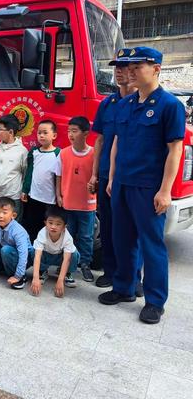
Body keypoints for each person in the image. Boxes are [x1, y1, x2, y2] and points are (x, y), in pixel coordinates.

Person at [99, 47, 185, 325]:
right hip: (122, 183)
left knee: (152, 245)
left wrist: (165, 190)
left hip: (149, 187)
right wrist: (112, 177)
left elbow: (175, 151)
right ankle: (124, 288)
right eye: (131, 67)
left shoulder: (170, 106)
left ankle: (155, 301)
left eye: (138, 67)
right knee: (122, 239)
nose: (132, 71)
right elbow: (116, 144)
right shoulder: (125, 104)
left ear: (156, 69)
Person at [89, 49, 143, 293]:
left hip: (133, 176)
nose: (120, 71)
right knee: (109, 226)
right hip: (105, 174)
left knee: (134, 228)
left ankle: (135, 277)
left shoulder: (143, 102)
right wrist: (93, 174)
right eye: (116, 67)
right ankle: (111, 272)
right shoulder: (107, 104)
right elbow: (99, 141)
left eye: (125, 66)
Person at [55, 116, 96, 283]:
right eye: (69, 131)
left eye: (75, 131)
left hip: (87, 204)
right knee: (68, 235)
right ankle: (67, 263)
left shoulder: (94, 153)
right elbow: (58, 175)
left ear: (86, 133)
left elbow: (97, 176)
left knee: (86, 236)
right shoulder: (63, 153)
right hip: (69, 202)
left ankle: (85, 264)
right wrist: (58, 195)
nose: (70, 134)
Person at [21, 119, 61, 241]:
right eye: (39, 133)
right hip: (34, 197)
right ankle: (31, 254)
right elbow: (29, 173)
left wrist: (59, 195)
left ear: (54, 135)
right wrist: (25, 190)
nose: (41, 136)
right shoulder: (34, 152)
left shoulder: (58, 153)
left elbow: (59, 177)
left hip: (49, 200)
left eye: (45, 133)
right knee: (31, 227)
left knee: (47, 228)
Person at [0, 196, 32, 289]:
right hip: (5, 255)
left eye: (4, 212)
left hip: (21, 258)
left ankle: (21, 277)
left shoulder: (18, 231)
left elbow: (24, 254)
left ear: (13, 215)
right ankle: (0, 268)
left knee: (6, 249)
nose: (0, 216)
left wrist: (18, 275)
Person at [30, 206, 80, 297]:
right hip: (46, 256)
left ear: (64, 227)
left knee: (74, 253)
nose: (53, 227)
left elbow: (67, 260)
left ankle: (67, 274)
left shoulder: (67, 237)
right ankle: (42, 271)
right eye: (50, 223)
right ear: (45, 223)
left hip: (59, 258)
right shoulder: (42, 233)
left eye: (58, 224)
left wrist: (60, 281)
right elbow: (37, 256)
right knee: (33, 251)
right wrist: (35, 278)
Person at [0, 114, 28, 223]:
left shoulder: (22, 151)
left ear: (10, 132)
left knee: (11, 227)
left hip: (11, 197)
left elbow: (24, 173)